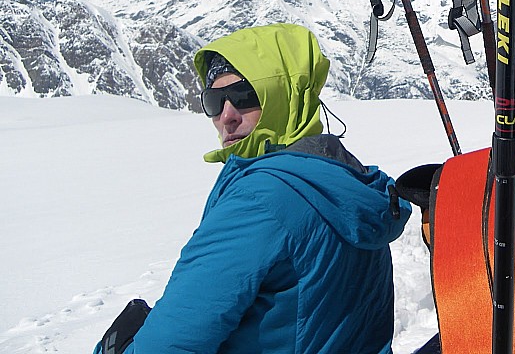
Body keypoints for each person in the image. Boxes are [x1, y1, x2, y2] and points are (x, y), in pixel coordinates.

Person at [94, 23, 411, 354]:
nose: (227, 116)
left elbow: (165, 346)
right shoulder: (346, 181)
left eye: (245, 96)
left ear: (283, 96)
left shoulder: (260, 200)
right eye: (214, 101)